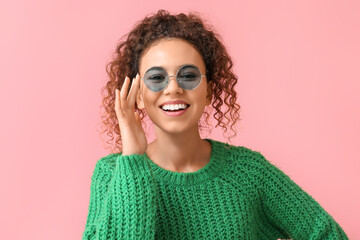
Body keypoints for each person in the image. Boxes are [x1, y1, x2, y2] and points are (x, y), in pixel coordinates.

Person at [82, 9, 348, 240]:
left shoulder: (249, 173)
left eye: (188, 75)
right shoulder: (111, 174)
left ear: (209, 91)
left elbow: (324, 233)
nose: (173, 87)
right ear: (139, 95)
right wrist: (132, 160)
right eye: (156, 77)